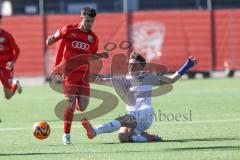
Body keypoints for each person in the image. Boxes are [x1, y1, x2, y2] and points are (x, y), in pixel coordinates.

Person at [81, 51, 198, 142]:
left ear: (142, 66)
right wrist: (81, 74)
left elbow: (171, 80)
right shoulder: (122, 80)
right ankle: (146, 137)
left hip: (145, 113)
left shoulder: (148, 77)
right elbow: (101, 80)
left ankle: (94, 131)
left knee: (123, 118)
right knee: (123, 137)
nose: (130, 66)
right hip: (133, 117)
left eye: (134, 64)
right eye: (130, 64)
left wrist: (186, 66)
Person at [46, 7, 108, 145]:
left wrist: (100, 55)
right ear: (81, 18)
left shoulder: (93, 38)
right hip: (69, 74)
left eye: (92, 21)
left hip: (83, 76)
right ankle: (66, 135)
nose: (89, 24)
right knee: (71, 103)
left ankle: (76, 111)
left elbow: (90, 56)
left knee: (84, 106)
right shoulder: (68, 30)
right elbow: (51, 40)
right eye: (87, 20)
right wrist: (49, 40)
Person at [0, 14, 22, 99]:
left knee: (8, 96)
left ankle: (15, 85)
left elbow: (17, 50)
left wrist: (12, 62)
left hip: (6, 67)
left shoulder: (7, 36)